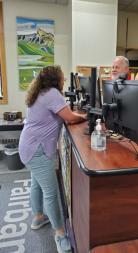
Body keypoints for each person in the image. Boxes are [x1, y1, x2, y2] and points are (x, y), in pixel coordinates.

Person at [19, 65, 86, 253]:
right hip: (37, 150)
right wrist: (85, 116)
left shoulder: (40, 92)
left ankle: (39, 217)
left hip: (28, 146)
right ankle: (60, 234)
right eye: (63, 77)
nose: (65, 79)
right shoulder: (53, 94)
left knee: (36, 184)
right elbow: (70, 118)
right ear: (56, 79)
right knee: (51, 192)